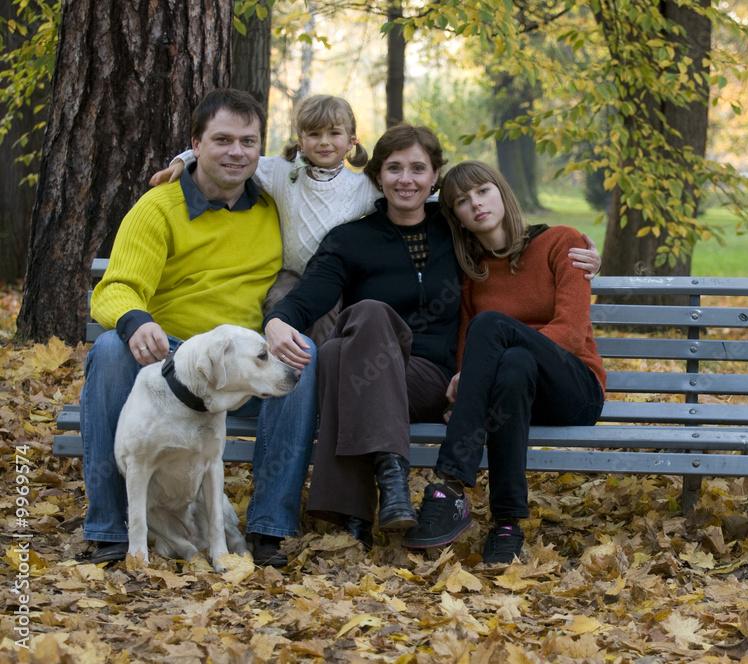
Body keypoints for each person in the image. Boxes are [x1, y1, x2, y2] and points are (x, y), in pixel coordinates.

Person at [263, 125, 601, 549]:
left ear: (434, 176)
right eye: (394, 168)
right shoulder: (362, 241)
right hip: (394, 375)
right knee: (342, 346)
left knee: (478, 332)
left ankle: (405, 495)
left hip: (449, 379)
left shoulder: (463, 232)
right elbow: (312, 293)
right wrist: (279, 318)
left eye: (418, 168)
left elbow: (552, 307)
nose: (406, 179)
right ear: (377, 177)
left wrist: (589, 262)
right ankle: (403, 497)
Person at [81, 89, 317, 568]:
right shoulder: (159, 208)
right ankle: (109, 527)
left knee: (301, 355)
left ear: (260, 149)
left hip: (242, 353)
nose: (236, 152)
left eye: (248, 142)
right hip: (167, 351)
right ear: (195, 144)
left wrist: (279, 323)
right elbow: (115, 288)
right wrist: (134, 320)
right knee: (108, 350)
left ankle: (268, 529)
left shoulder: (275, 207)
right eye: (222, 140)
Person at [401, 160, 607, 565]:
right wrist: (470, 376)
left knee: (495, 327)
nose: (475, 204)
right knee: (512, 365)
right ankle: (508, 523)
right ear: (456, 217)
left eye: (482, 191)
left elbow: (570, 332)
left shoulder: (563, 241)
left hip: (574, 389)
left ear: (502, 191)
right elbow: (466, 346)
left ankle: (450, 485)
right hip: (513, 393)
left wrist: (480, 370)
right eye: (461, 200)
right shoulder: (471, 273)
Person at [151, 94, 379, 344]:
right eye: (314, 134)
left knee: (325, 313)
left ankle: (317, 370)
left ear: (351, 141)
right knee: (278, 305)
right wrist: (183, 161)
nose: (324, 142)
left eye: (334, 133)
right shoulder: (282, 172)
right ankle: (276, 364)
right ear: (301, 142)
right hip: (290, 273)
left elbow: (399, 191)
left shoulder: (361, 187)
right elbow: (230, 158)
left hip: (333, 276)